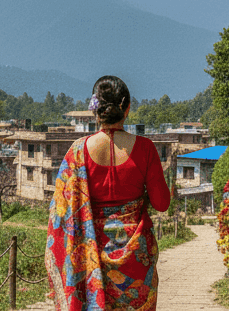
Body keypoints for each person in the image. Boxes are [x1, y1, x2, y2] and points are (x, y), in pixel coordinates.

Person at [45, 75, 170, 310]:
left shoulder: (77, 152)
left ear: (95, 110)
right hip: (137, 262)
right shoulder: (146, 149)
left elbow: (60, 214)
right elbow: (162, 203)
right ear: (127, 108)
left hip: (91, 261)